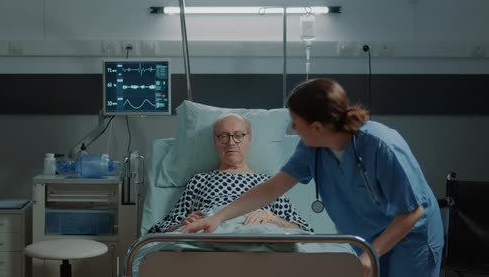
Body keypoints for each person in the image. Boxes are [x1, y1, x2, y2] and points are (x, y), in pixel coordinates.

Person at [182, 78, 444, 277]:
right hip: (366, 238)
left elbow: (412, 211)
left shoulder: (381, 145)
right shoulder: (312, 148)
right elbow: (272, 188)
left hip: (410, 238)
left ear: (317, 127)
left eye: (296, 122)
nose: (293, 128)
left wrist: (370, 253)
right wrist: (217, 217)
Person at [148, 113, 313, 234]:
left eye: (238, 135)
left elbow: (303, 230)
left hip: (256, 232)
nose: (231, 142)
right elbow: (162, 229)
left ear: (249, 139)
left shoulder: (268, 184)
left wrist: (275, 220)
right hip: (209, 232)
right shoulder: (200, 180)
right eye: (223, 136)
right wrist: (183, 224)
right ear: (215, 141)